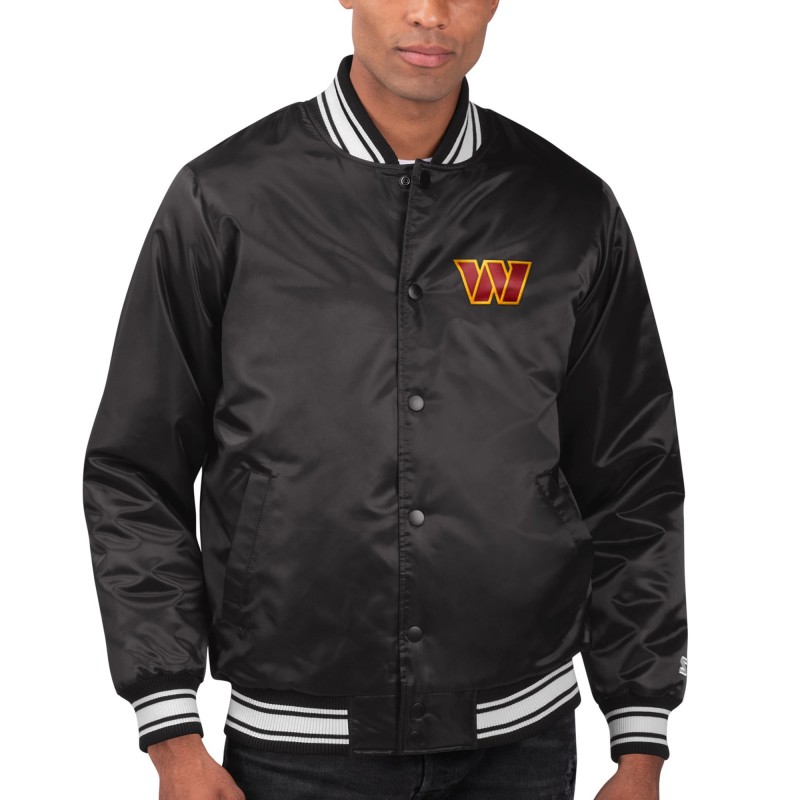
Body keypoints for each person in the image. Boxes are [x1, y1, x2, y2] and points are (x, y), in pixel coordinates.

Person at [82, 1, 688, 798]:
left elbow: (633, 472)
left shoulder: (568, 208)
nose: (430, 15)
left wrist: (640, 737)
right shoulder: (225, 198)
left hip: (521, 746)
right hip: (297, 750)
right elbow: (135, 469)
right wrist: (171, 733)